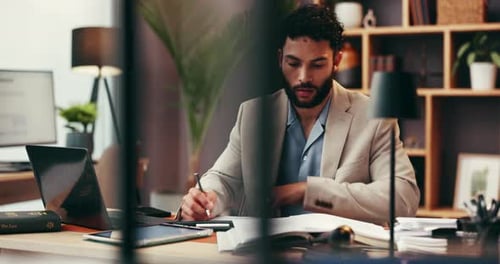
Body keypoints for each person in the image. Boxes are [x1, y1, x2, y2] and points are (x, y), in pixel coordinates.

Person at [178, 4, 420, 225]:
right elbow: (224, 179)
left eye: (317, 65)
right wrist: (205, 198)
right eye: (293, 64)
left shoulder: (372, 117)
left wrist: (306, 191)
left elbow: (403, 197)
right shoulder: (253, 114)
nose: (303, 77)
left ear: (336, 60)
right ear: (280, 58)